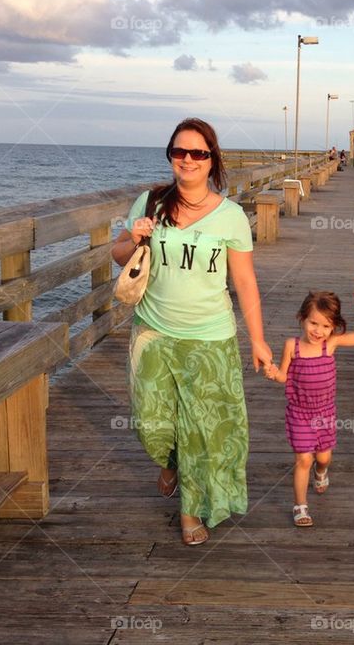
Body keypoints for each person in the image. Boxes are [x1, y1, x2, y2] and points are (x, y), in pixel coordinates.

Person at [112, 117, 273, 546]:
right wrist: (134, 235)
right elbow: (118, 254)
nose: (188, 159)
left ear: (212, 159)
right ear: (170, 156)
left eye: (198, 153)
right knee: (152, 423)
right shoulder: (150, 202)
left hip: (210, 336)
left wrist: (257, 339)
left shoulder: (232, 216)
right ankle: (170, 463)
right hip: (153, 331)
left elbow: (245, 283)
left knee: (202, 430)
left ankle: (190, 510)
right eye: (180, 152)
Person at [264, 292, 354, 527]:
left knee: (323, 457)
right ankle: (300, 506)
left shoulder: (330, 344)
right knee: (304, 459)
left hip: (324, 414)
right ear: (302, 318)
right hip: (299, 413)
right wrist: (274, 373)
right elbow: (284, 376)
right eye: (313, 323)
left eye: (325, 326)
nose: (318, 330)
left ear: (333, 327)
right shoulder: (292, 346)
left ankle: (321, 471)